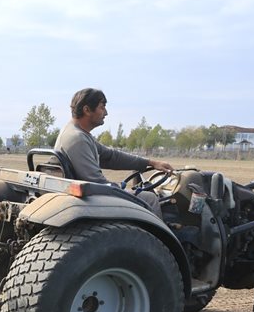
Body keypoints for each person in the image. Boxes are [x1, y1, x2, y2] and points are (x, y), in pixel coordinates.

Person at [54, 87, 173, 217]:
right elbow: (97, 184)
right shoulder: (77, 138)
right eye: (102, 107)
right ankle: (155, 238)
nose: (106, 113)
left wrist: (151, 162)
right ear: (87, 110)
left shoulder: (78, 134)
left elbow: (111, 157)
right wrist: (119, 189)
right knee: (150, 198)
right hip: (88, 201)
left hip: (82, 196)